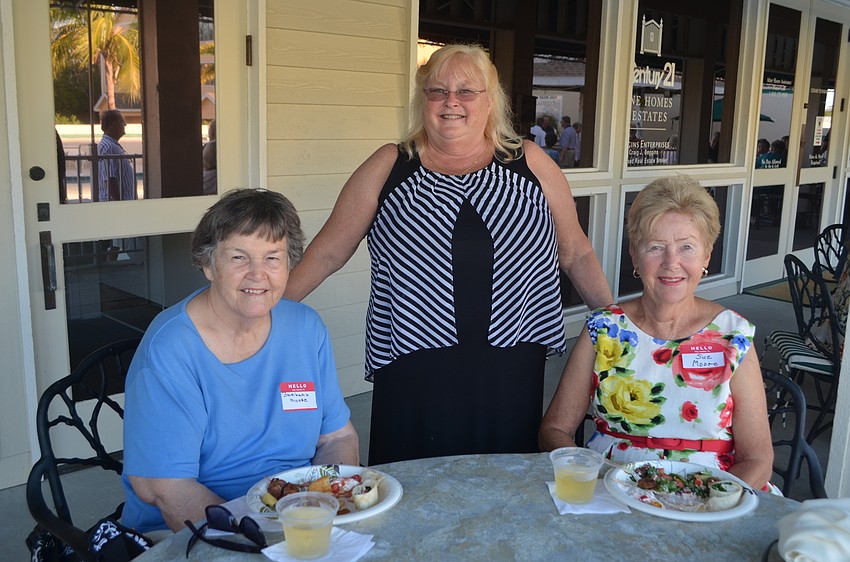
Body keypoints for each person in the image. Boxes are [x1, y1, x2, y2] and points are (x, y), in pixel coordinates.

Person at [284, 43, 613, 465]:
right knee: (414, 482)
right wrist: (265, 308)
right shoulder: (390, 165)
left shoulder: (529, 163)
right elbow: (329, 252)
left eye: (466, 91)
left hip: (510, 365)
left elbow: (576, 253)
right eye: (437, 91)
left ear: (490, 102)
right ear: (423, 101)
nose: (451, 101)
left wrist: (618, 328)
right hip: (414, 364)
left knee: (505, 482)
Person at [122, 188, 360, 532]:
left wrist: (324, 505)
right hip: (193, 532)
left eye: (273, 258)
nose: (257, 273)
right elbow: (165, 488)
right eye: (238, 257)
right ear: (208, 264)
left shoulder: (306, 329)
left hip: (295, 518)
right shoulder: (172, 348)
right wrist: (260, 537)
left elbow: (336, 438)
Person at [539, 176, 774, 491]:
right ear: (635, 256)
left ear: (706, 256)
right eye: (655, 247)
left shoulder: (733, 335)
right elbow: (554, 430)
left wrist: (709, 504)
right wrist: (595, 475)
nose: (671, 263)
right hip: (613, 492)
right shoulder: (605, 329)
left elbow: (758, 459)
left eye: (686, 247)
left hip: (713, 496)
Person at [97, 109, 136, 201]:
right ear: (112, 124)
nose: (125, 125)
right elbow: (109, 178)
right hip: (116, 203)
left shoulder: (112, 145)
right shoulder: (108, 147)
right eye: (122, 122)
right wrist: (118, 203)